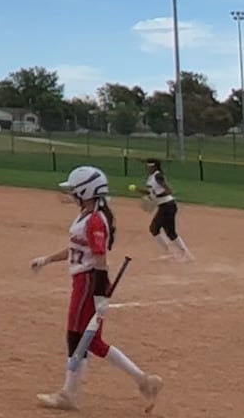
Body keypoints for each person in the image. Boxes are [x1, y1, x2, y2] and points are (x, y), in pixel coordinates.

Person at [29, 165, 164, 412]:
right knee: (91, 341)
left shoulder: (94, 221)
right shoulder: (86, 216)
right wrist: (47, 259)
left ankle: (68, 395)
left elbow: (100, 259)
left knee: (77, 337)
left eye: (74, 190)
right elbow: (76, 249)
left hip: (89, 282)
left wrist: (100, 294)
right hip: (85, 281)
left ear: (86, 191)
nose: (71, 194)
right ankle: (145, 381)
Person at [142, 158, 192, 262]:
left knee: (155, 228)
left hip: (167, 205)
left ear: (154, 167)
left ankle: (177, 253)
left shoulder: (158, 176)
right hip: (164, 206)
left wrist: (155, 196)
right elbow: (152, 192)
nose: (147, 168)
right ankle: (181, 253)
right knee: (169, 232)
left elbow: (168, 190)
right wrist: (140, 191)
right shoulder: (151, 177)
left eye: (149, 166)